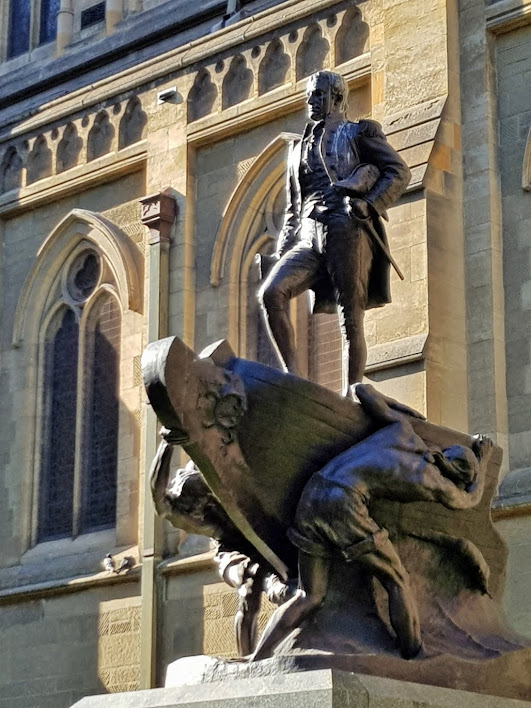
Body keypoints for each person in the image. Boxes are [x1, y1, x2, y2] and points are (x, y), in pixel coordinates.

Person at [250, 384, 493, 661]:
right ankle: (413, 653)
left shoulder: (402, 431)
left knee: (310, 595)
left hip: (313, 492)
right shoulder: (436, 484)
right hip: (344, 503)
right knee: (396, 579)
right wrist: (483, 463)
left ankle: (258, 656)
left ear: (445, 451)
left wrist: (406, 412)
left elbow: (361, 390)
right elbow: (469, 500)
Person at [259, 71, 411, 392]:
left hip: (345, 228)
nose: (311, 103)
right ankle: (294, 378)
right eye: (309, 97)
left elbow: (398, 171)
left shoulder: (357, 134)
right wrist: (283, 252)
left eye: (318, 96)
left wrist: (369, 204)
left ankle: (351, 394)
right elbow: (293, 211)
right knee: (271, 293)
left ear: (337, 98)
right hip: (308, 235)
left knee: (350, 318)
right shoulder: (296, 149)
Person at [150, 429, 294, 657]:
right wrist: (166, 445)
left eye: (207, 500)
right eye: (200, 506)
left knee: (288, 592)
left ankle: (292, 650)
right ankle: (247, 658)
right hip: (232, 553)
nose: (205, 507)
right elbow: (160, 501)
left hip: (265, 543)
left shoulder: (220, 479)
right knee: (249, 588)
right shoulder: (200, 520)